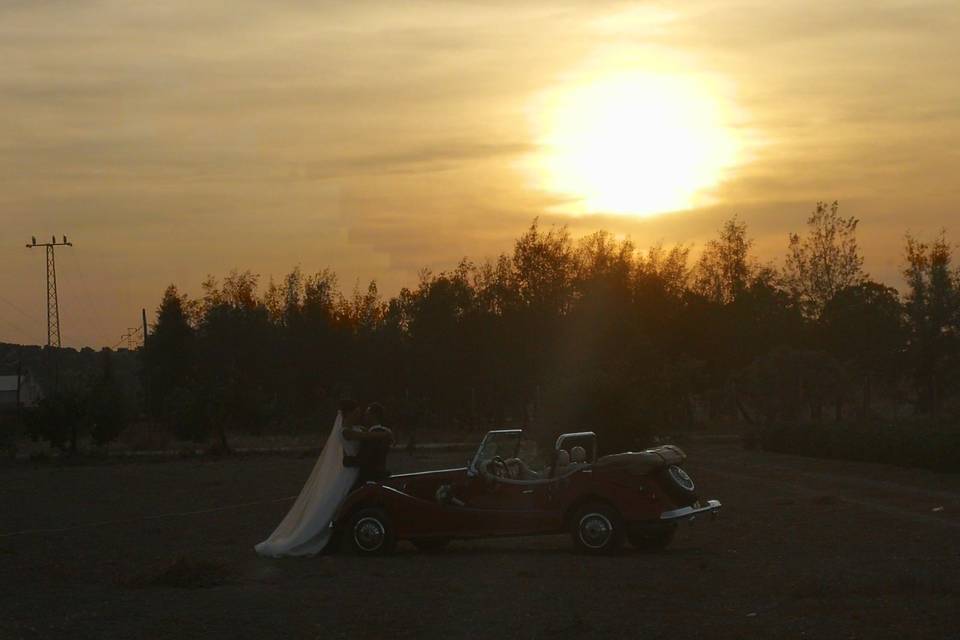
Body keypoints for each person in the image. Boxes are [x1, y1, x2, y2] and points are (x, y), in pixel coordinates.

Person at [254, 399, 368, 557]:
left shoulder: (356, 428)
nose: (359, 415)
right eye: (356, 412)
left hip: (354, 469)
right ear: (349, 413)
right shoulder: (345, 431)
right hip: (350, 473)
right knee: (334, 506)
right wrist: (385, 433)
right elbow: (367, 437)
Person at [351, 402, 393, 486]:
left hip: (370, 476)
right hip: (378, 473)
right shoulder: (383, 432)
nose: (364, 416)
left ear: (373, 415)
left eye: (367, 414)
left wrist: (347, 461)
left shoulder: (374, 435)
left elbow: (367, 457)